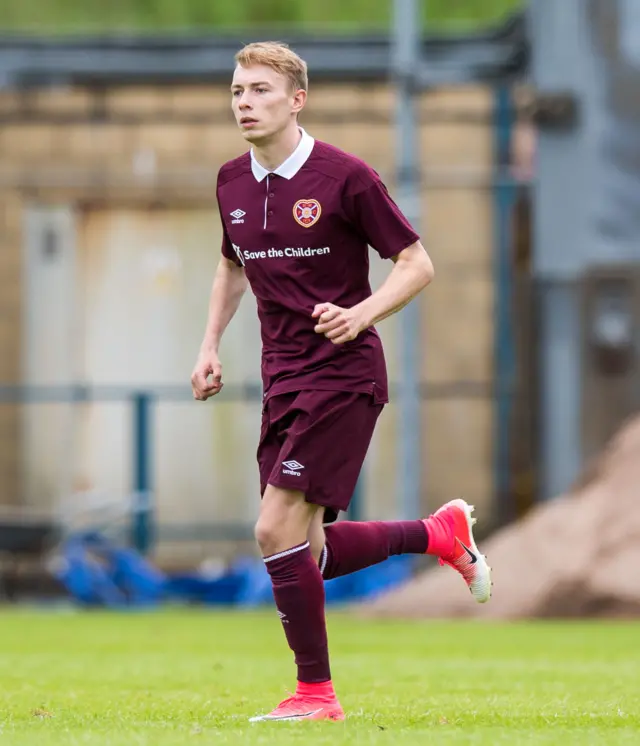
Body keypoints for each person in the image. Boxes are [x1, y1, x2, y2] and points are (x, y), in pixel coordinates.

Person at [191, 40, 492, 723]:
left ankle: (315, 696)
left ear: (297, 100)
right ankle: (438, 535)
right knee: (307, 554)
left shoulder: (344, 176)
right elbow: (231, 268)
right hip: (284, 379)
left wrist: (360, 315)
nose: (245, 102)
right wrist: (208, 345)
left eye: (260, 90)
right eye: (238, 91)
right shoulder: (230, 183)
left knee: (274, 530)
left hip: (344, 375)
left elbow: (416, 264)